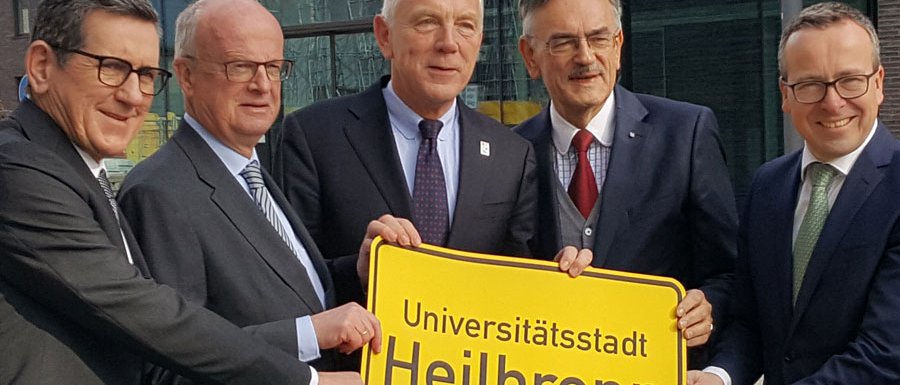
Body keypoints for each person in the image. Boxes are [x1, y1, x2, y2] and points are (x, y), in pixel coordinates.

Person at [0, 0, 377, 383]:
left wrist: (367, 271)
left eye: (146, 75)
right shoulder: (20, 170)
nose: (133, 95)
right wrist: (307, 378)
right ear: (42, 67)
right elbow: (156, 323)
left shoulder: (78, 172)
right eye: (111, 67)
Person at [117, 0, 392, 383]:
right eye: (240, 66)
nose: (262, 85)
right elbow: (169, 365)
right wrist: (307, 335)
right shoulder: (158, 193)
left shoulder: (250, 171)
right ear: (186, 75)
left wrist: (359, 271)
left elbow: (290, 289)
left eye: (273, 67)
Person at [275, 0, 546, 308]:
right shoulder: (315, 136)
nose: (448, 43)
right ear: (384, 36)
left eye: (465, 26)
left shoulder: (511, 154)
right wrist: (358, 273)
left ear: (479, 42)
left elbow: (517, 285)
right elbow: (284, 281)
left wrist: (569, 278)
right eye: (427, 22)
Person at [513, 0, 736, 366]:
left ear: (618, 46)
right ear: (530, 56)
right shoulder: (511, 153)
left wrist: (708, 307)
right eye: (564, 42)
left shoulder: (685, 134)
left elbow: (728, 272)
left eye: (599, 38)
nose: (585, 57)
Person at [689, 2, 900, 384]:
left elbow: (884, 355)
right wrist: (720, 376)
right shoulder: (767, 186)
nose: (832, 102)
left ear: (879, 83)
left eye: (850, 80)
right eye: (810, 85)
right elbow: (749, 322)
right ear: (785, 95)